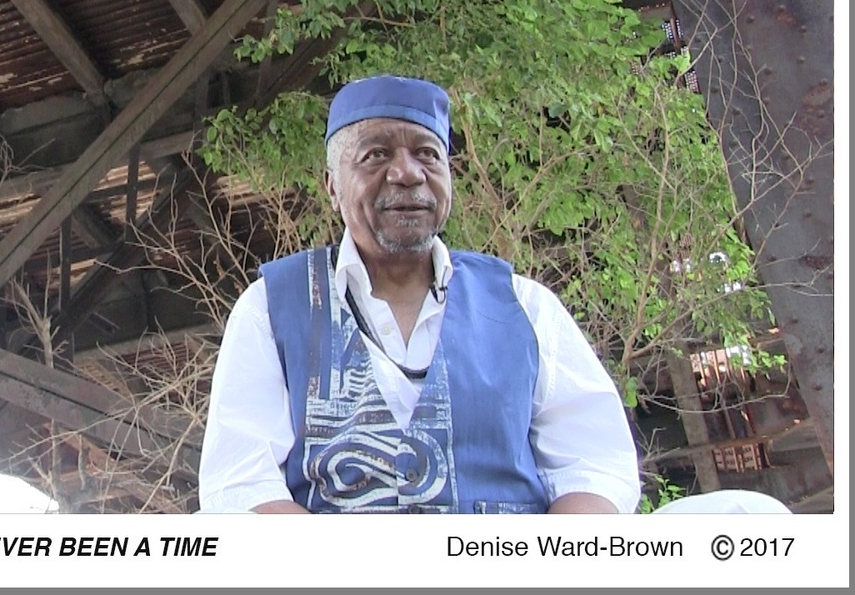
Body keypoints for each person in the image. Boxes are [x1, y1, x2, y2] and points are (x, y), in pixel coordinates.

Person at [198, 74, 787, 514]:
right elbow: (238, 482)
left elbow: (594, 464)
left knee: (749, 520)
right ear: (332, 185)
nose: (406, 173)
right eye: (376, 155)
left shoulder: (525, 306)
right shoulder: (272, 308)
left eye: (427, 155)